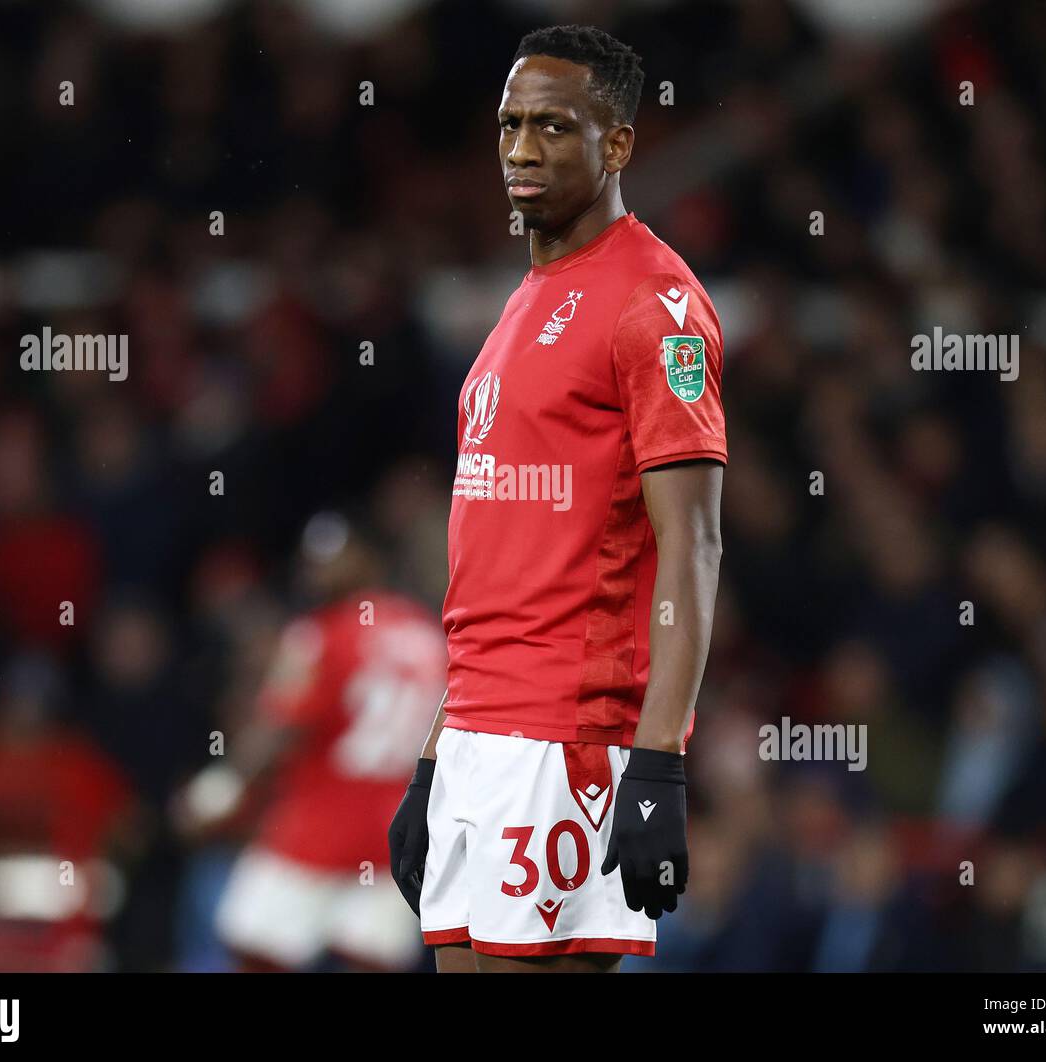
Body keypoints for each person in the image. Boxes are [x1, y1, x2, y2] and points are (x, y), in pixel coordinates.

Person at [388, 25, 726, 973]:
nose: (522, 150)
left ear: (617, 145)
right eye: (508, 126)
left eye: (552, 127)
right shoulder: (525, 301)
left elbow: (692, 545)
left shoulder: (653, 304)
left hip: (566, 738)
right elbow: (494, 564)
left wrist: (659, 759)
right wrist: (432, 754)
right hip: (478, 738)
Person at [178, 510, 446, 971]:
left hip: (313, 828)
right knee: (370, 961)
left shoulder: (320, 633)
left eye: (334, 558)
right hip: (398, 830)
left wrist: (222, 788)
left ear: (369, 559)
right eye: (315, 560)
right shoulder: (428, 634)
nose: (319, 571)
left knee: (254, 950)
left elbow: (282, 729)